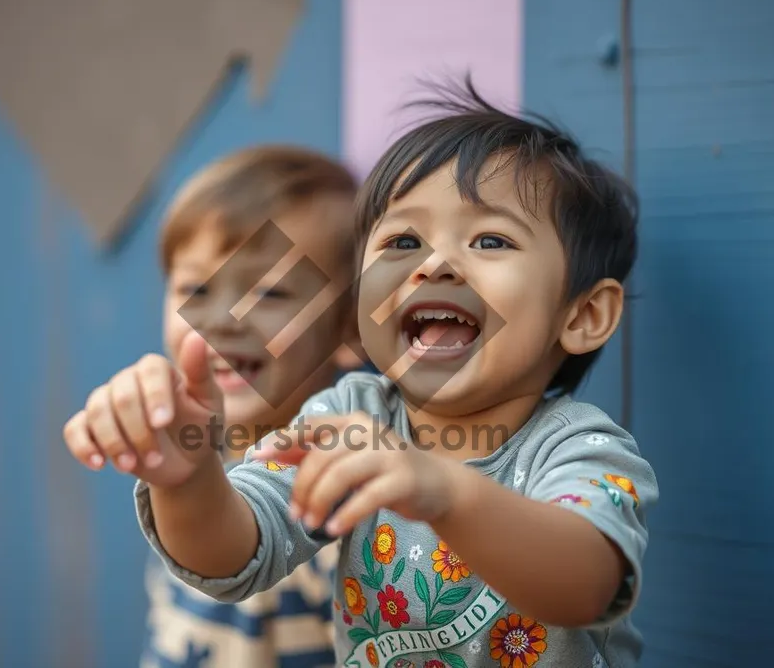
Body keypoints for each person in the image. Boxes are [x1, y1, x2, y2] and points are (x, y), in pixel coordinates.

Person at [66, 81, 660, 667]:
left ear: (582, 315)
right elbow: (237, 554)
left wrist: (447, 491)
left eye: (489, 239)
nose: (432, 264)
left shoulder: (579, 446)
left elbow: (589, 585)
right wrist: (188, 480)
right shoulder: (350, 416)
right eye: (403, 239)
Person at [65, 145, 365, 667]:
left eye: (269, 294)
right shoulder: (187, 446)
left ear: (349, 327)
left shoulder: (334, 478)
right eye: (197, 288)